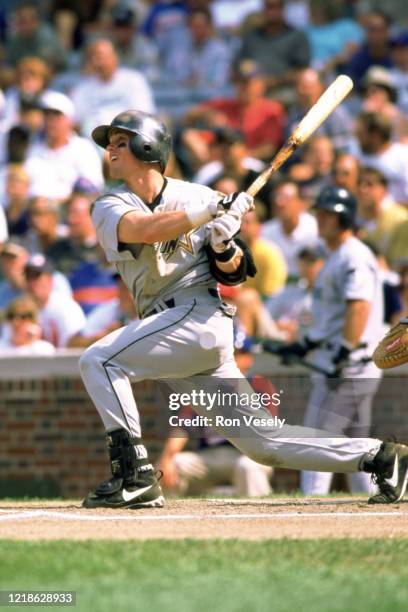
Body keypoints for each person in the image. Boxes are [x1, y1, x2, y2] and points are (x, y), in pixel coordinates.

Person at [78, 108, 408, 510]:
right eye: (109, 143)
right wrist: (210, 213)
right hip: (169, 329)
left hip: (198, 318)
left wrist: (224, 245)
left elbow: (236, 273)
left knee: (99, 361)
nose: (110, 150)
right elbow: (144, 230)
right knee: (264, 443)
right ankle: (380, 456)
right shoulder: (111, 203)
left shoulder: (200, 195)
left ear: (148, 147)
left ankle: (135, 476)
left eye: (119, 142)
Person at [278, 186, 384, 496]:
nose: (321, 220)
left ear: (344, 218)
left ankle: (312, 504)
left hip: (349, 366)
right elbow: (334, 317)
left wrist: (344, 350)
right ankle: (379, 499)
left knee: (318, 439)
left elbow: (359, 306)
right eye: (320, 214)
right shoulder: (336, 256)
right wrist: (306, 343)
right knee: (356, 444)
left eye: (328, 214)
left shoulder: (353, 255)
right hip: (343, 362)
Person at [157, 329, 274, 497]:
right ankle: (162, 521)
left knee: (248, 467)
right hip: (210, 456)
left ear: (249, 358)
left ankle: (262, 520)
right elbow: (183, 427)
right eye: (229, 352)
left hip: (248, 454)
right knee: (175, 463)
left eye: (238, 353)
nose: (232, 358)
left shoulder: (260, 386)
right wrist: (167, 458)